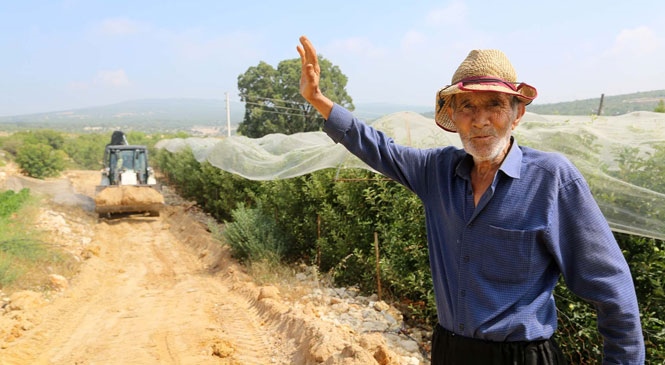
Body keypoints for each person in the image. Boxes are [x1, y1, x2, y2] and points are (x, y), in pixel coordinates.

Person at [296, 35, 645, 364]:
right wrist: (317, 99)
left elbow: (613, 289)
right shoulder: (436, 171)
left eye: (494, 104)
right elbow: (377, 147)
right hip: (450, 352)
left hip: (521, 357)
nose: (480, 120)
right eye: (467, 106)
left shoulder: (552, 179)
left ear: (516, 113)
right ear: (454, 116)